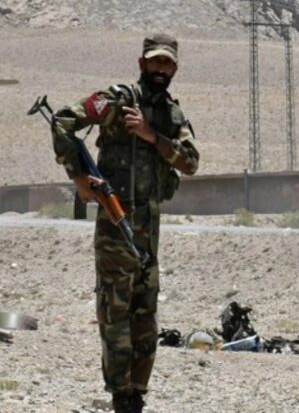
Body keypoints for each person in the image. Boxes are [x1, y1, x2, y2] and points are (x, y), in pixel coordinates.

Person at [51, 33, 199, 413]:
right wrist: (78, 178)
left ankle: (137, 394)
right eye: (155, 61)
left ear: (175, 69)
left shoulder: (172, 115)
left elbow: (190, 162)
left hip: (149, 230)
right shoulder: (117, 100)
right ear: (142, 63)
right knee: (115, 313)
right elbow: (63, 120)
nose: (160, 69)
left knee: (145, 317)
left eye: (167, 63)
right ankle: (120, 396)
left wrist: (152, 136)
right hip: (115, 225)